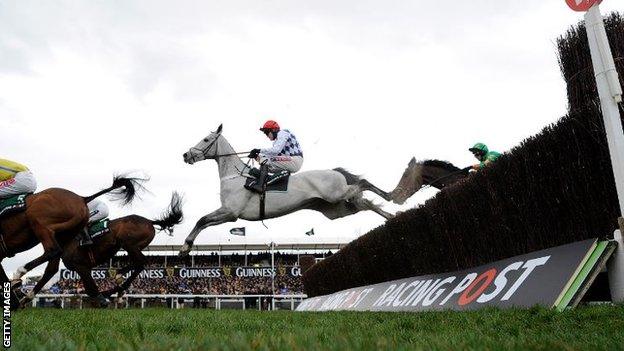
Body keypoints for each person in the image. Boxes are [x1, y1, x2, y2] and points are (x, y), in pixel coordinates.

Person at [247, 120, 304, 193]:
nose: (267, 136)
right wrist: (256, 156)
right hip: (290, 160)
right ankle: (266, 183)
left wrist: (258, 150)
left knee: (266, 161)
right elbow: (271, 154)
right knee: (263, 164)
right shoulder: (277, 141)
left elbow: (275, 151)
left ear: (273, 130)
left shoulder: (282, 133)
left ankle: (260, 186)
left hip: (295, 160)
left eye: (267, 133)